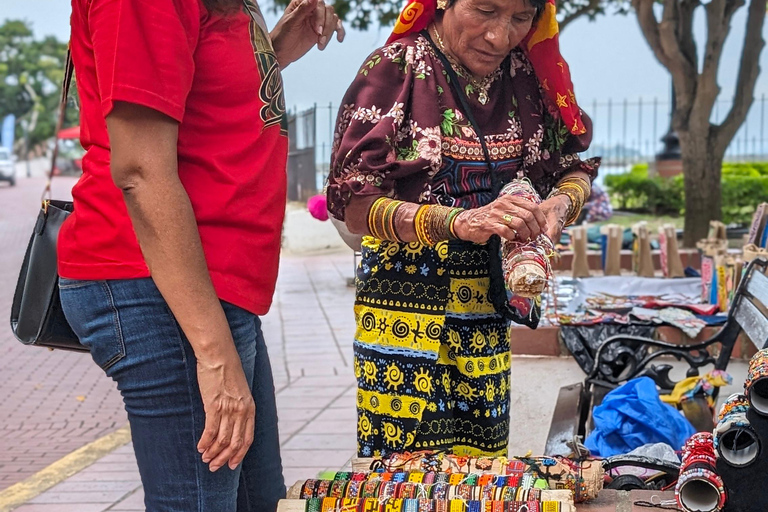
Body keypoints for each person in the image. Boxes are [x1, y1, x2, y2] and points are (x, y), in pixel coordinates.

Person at [58, 0, 344, 510]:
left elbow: (201, 100)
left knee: (257, 501)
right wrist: (214, 357)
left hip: (207, 286)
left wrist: (271, 52)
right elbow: (141, 172)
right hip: (157, 287)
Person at [327, 0, 599, 457]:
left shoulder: (526, 77)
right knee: (406, 480)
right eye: (485, 11)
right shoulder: (396, 70)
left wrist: (559, 205)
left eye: (519, 18)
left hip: (487, 310)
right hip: (404, 313)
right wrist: (459, 222)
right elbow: (354, 202)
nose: (500, 36)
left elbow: (572, 168)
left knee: (482, 474)